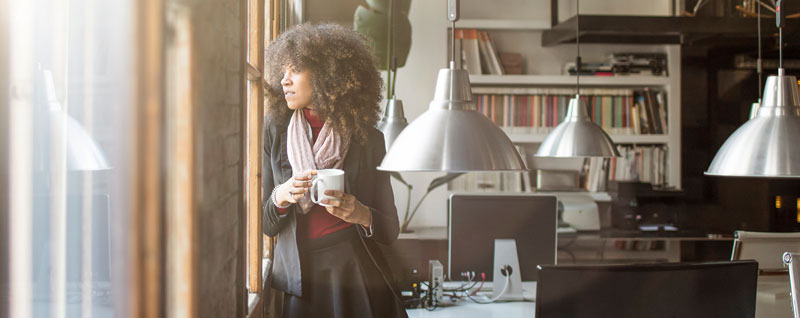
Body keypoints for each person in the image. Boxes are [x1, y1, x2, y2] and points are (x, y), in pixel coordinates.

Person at [262, 23, 407, 318]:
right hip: (301, 278)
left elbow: (390, 229)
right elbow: (266, 225)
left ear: (328, 75)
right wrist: (282, 195)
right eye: (283, 71)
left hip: (356, 272)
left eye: (295, 71)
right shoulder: (274, 132)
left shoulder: (368, 139)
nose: (284, 80)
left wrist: (361, 214)